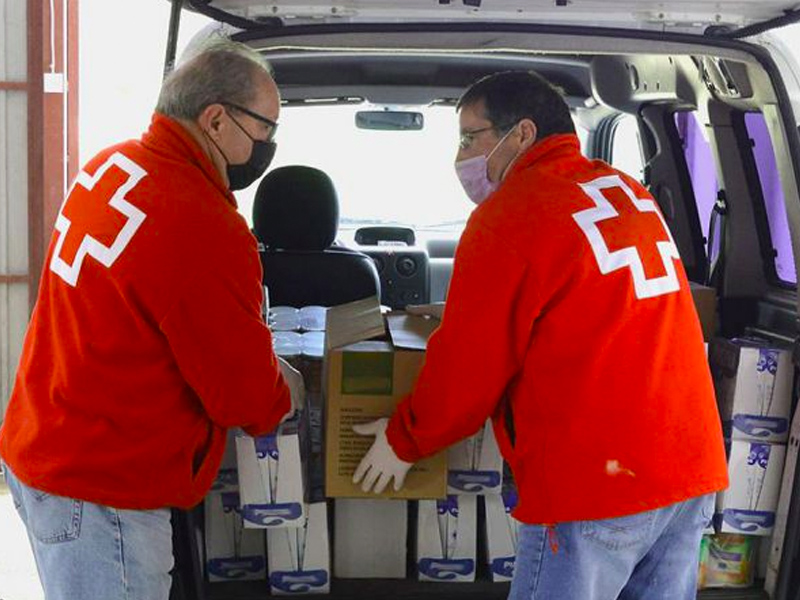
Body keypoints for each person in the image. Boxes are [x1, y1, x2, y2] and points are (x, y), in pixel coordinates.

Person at [353, 70, 729, 599]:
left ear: (522, 133)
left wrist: (404, 439)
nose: (460, 156)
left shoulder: (509, 216)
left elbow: (467, 372)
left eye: (469, 137)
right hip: (689, 471)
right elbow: (592, 306)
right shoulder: (627, 193)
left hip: (598, 486)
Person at [0, 39, 304, 600]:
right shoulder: (199, 221)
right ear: (215, 119)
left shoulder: (111, 166)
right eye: (265, 131)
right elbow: (242, 396)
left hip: (45, 451)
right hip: (103, 490)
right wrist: (288, 398)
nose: (269, 146)